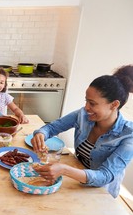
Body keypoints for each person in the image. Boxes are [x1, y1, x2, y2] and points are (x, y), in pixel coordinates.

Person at [31, 65, 133, 198]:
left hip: (101, 194)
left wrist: (64, 169)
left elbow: (105, 176)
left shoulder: (128, 135)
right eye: (86, 101)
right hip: (76, 183)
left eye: (92, 103)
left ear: (114, 105)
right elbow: (51, 127)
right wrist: (40, 134)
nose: (86, 107)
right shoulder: (83, 115)